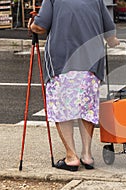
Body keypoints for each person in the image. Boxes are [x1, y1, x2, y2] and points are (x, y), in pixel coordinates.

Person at [28, 0, 120, 172]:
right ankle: (87, 155)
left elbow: (40, 26)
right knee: (87, 107)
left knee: (62, 108)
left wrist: (32, 25)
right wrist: (114, 41)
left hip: (62, 61)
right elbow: (110, 33)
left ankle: (71, 157)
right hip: (92, 61)